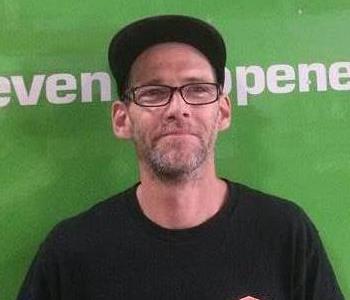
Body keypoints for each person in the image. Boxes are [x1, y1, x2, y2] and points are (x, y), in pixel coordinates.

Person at [18, 15, 344, 300]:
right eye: (153, 93)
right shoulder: (72, 252)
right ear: (122, 119)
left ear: (224, 111)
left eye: (198, 89)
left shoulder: (284, 232)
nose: (178, 109)